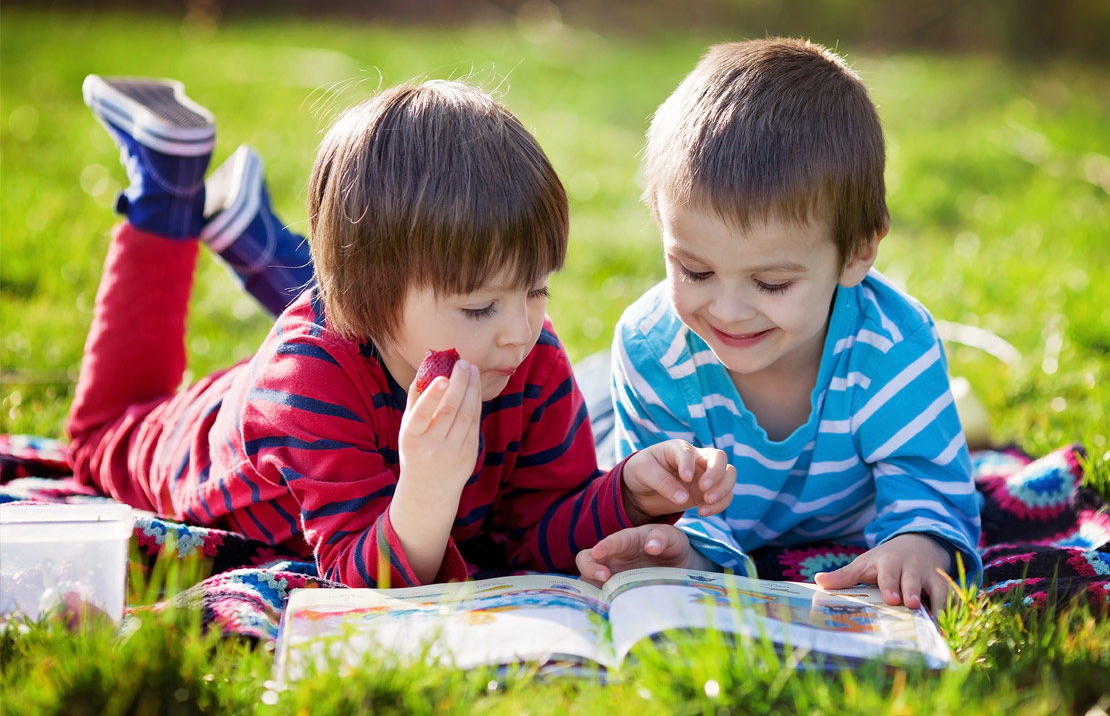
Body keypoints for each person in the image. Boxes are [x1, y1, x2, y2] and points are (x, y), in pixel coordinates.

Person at [66, 75, 736, 588]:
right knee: (98, 430)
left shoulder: (527, 357)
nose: (521, 332)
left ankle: (249, 233)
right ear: (368, 300)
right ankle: (166, 185)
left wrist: (627, 494)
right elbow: (360, 577)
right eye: (480, 308)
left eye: (535, 289)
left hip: (354, 357)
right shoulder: (306, 383)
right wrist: (427, 490)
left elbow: (534, 529)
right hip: (186, 440)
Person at [575, 39, 981, 611]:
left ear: (858, 253)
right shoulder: (651, 347)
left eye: (771, 284)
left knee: (929, 433)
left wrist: (916, 546)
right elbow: (664, 505)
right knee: (582, 421)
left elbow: (933, 493)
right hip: (604, 408)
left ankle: (954, 405)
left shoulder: (893, 347)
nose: (727, 310)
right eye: (695, 270)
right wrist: (680, 551)